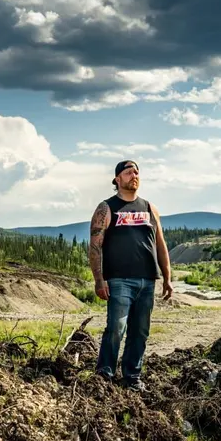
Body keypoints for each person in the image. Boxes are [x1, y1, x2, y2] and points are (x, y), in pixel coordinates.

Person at [88, 159, 173, 390]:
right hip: (118, 280)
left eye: (136, 172)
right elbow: (95, 245)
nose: (133, 175)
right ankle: (104, 375)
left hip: (147, 280)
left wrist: (167, 277)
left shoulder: (149, 208)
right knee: (117, 327)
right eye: (128, 172)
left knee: (140, 331)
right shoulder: (106, 208)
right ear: (117, 179)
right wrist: (99, 280)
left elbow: (160, 244)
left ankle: (132, 377)